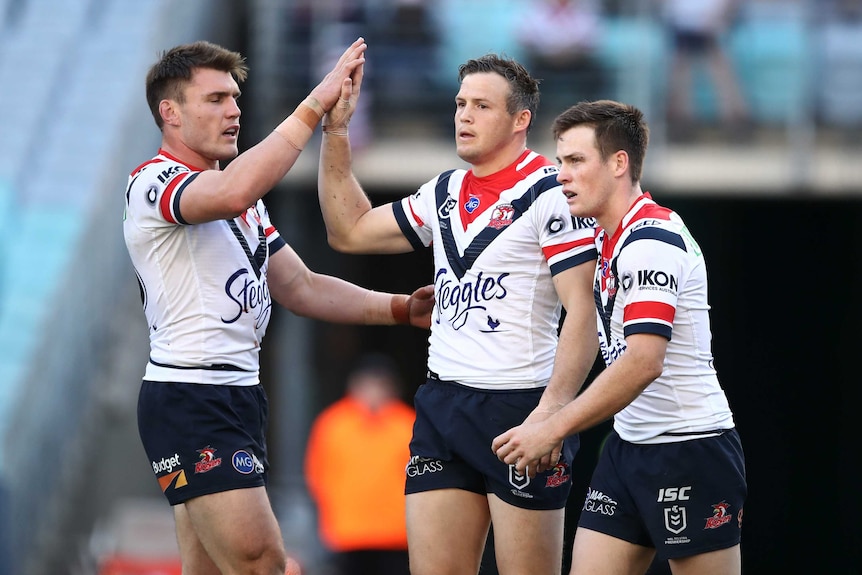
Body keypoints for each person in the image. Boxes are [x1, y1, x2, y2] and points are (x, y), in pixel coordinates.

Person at [123, 39, 434, 575]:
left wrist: (401, 308)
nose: (234, 110)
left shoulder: (243, 202)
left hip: (237, 395)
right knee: (265, 563)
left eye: (236, 98)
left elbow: (304, 287)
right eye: (216, 98)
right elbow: (233, 191)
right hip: (192, 397)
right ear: (169, 114)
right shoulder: (154, 182)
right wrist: (313, 106)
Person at [316, 53, 599, 575]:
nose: (464, 116)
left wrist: (552, 415)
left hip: (520, 406)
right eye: (460, 103)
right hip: (443, 404)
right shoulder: (444, 190)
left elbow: (584, 313)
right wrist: (336, 133)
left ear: (520, 120)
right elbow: (349, 231)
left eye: (482, 105)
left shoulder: (552, 193)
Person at [492, 99, 747, 575]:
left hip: (689, 449)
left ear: (619, 163)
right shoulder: (605, 236)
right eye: (558, 161)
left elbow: (643, 362)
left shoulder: (651, 240)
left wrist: (555, 426)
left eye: (575, 161)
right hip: (627, 448)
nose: (560, 175)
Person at [304, 353, 415, 575]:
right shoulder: (332, 424)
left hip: (395, 534)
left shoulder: (408, 424)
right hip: (347, 532)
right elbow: (316, 474)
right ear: (354, 386)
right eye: (368, 384)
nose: (373, 392)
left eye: (380, 385)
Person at [662, 0, 750, 141]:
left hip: (708, 21)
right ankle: (681, 123)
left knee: (719, 71)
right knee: (682, 72)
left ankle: (736, 121)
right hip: (683, 21)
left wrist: (718, 15)